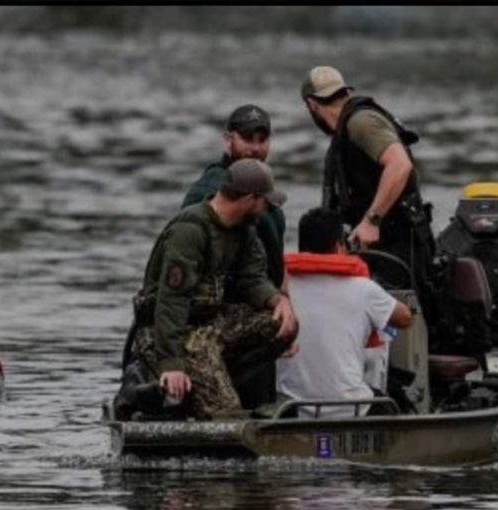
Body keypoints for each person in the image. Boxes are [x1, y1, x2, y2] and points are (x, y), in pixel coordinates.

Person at [124, 159, 298, 420]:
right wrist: (171, 364)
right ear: (251, 199)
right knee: (227, 416)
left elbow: (251, 279)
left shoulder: (244, 229)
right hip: (175, 333)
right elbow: (172, 300)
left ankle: (211, 378)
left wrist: (278, 300)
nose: (267, 210)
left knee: (281, 325)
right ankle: (157, 391)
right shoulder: (190, 230)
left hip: (211, 324)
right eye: (266, 202)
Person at [181, 104, 288, 409]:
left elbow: (274, 259)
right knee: (235, 411)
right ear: (228, 139)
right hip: (222, 323)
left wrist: (283, 302)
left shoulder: (262, 189)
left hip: (257, 318)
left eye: (262, 139)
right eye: (247, 139)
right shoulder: (213, 194)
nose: (255, 148)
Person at [299, 66, 438, 297]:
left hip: (400, 246)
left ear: (312, 104)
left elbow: (400, 165)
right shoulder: (347, 128)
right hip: (383, 248)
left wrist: (372, 220)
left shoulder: (360, 122)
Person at [277, 207, 413, 419]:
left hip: (291, 409)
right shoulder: (363, 288)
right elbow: (405, 318)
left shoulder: (281, 290)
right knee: (397, 401)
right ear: (337, 246)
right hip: (353, 407)